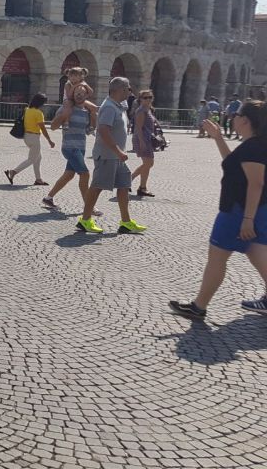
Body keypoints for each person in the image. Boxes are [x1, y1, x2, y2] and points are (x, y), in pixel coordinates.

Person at [169, 101, 267, 319]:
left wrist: (247, 219)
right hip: (252, 209)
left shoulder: (253, 148)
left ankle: (199, 306)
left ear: (245, 120)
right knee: (256, 252)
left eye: (236, 115)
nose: (232, 117)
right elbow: (235, 165)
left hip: (238, 211)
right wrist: (218, 139)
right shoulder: (254, 145)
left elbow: (256, 184)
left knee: (217, 258)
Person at [76, 76, 148, 235]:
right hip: (107, 155)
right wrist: (118, 151)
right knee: (97, 187)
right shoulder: (109, 107)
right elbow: (103, 130)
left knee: (124, 186)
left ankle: (126, 222)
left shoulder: (119, 106)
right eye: (128, 89)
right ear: (121, 90)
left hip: (116, 157)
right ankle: (85, 220)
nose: (130, 92)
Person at [43, 87, 101, 214]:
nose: (79, 95)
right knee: (85, 174)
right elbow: (53, 126)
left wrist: (94, 119)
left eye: (82, 93)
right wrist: (64, 115)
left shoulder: (86, 111)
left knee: (69, 174)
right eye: (76, 93)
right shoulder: (66, 108)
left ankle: (48, 198)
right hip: (70, 147)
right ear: (72, 94)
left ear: (86, 96)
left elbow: (88, 131)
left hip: (81, 148)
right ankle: (89, 206)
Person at [4, 94, 54, 185]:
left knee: (38, 158)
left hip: (26, 136)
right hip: (34, 137)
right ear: (41, 103)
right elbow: (43, 128)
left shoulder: (27, 110)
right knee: (31, 159)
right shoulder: (38, 113)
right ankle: (13, 172)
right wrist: (49, 140)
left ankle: (38, 179)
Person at [130, 89, 159, 198]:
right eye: (145, 97)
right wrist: (142, 142)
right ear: (140, 99)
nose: (148, 99)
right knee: (148, 163)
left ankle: (141, 187)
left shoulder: (148, 109)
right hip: (142, 139)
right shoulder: (141, 110)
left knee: (148, 164)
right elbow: (138, 128)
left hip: (147, 139)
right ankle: (132, 180)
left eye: (150, 97)